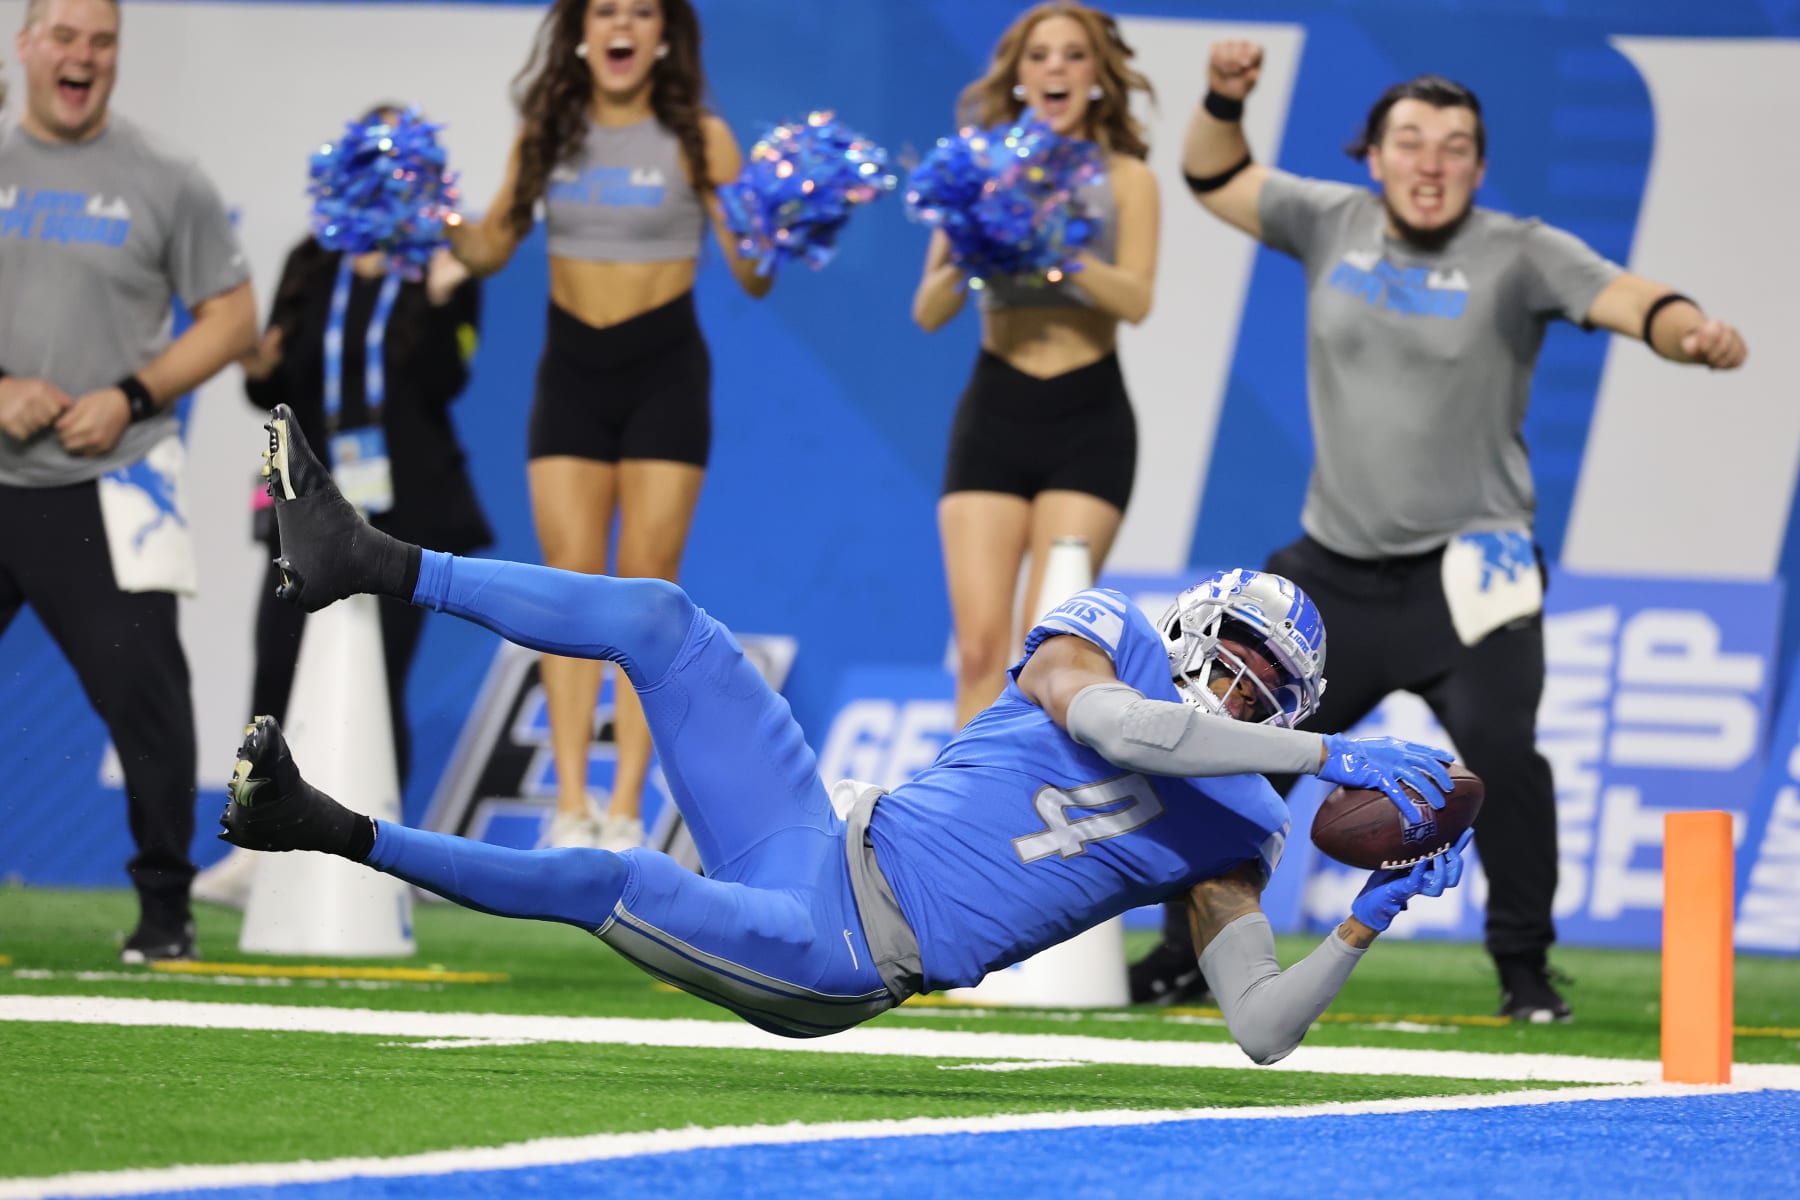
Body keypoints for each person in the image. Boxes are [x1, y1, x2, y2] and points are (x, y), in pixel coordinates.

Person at [221, 404, 1471, 1054]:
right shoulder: (1117, 635)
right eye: (1233, 656)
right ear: (1194, 623)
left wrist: (1368, 917)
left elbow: (1259, 1030)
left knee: (611, 874)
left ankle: (322, 825)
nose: (1236, 687)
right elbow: (1120, 726)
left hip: (836, 953)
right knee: (660, 617)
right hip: (819, 840)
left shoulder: (1238, 834)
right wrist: (1332, 755)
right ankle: (368, 557)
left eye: (1265, 685)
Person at [1136, 42, 1751, 1022]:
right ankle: (1185, 954)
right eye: (1410, 142)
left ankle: (1525, 973)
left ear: (1479, 164)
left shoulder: (1521, 250)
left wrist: (1690, 331)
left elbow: (1632, 299)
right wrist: (1223, 95)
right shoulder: (1327, 221)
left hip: (1480, 564)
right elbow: (1213, 172)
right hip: (1332, 569)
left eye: (1455, 147)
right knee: (1240, 757)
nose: (1431, 163)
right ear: (1372, 156)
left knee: (1504, 754)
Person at [441, 0, 772, 854]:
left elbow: (754, 272)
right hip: (571, 375)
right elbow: (487, 248)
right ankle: (570, 810)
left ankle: (624, 808)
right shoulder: (546, 132)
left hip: (665, 372)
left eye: (641, 11)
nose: (622, 25)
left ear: (664, 34)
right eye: (605, 10)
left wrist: (784, 224)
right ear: (582, 32)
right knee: (567, 587)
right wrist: (432, 211)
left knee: (646, 587)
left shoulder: (705, 137)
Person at [0, 0, 256, 961]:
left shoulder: (166, 178)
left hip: (108, 485)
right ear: (25, 45)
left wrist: (133, 394)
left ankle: (165, 916)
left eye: (100, 41)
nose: (82, 56)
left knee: (148, 701)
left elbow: (232, 317)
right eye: (63, 36)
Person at [193, 188, 491, 909]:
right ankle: (253, 840)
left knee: (379, 678)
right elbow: (270, 380)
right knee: (277, 665)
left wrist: (447, 296)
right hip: (307, 499)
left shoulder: (443, 266)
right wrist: (256, 365)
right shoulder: (311, 256)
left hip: (405, 509)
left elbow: (447, 379)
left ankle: (385, 852)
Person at [912, 1, 1160, 731]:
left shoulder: (1126, 178)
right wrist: (972, 235)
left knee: (1044, 648)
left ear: (1096, 76)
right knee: (982, 646)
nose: (1057, 69)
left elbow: (1137, 299)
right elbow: (927, 310)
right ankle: (953, 823)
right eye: (1040, 56)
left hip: (1088, 422)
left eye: (1074, 56)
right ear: (1018, 77)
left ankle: (1018, 828)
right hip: (994, 413)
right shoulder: (974, 170)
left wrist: (1056, 245)